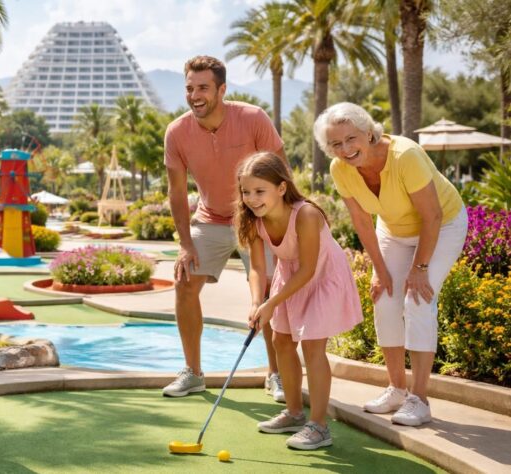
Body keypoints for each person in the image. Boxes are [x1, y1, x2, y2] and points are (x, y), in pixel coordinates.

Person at [314, 102, 467, 427]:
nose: (345, 149)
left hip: (443, 225)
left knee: (417, 299)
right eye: (335, 144)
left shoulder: (405, 156)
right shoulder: (339, 169)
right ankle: (397, 389)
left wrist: (420, 269)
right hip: (394, 231)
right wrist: (381, 271)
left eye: (351, 138)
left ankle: (419, 400)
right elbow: (361, 220)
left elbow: (433, 215)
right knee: (384, 298)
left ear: (369, 132)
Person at [163, 55, 286, 399]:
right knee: (184, 282)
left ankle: (275, 374)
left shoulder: (252, 118)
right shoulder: (177, 132)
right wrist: (186, 244)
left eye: (202, 87)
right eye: (189, 88)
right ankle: (193, 373)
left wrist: (282, 227)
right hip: (211, 218)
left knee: (267, 295)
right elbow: (176, 190)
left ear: (221, 89)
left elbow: (282, 172)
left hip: (258, 219)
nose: (194, 94)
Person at [237, 152, 363, 450]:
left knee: (312, 345)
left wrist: (272, 302)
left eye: (259, 191)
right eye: (245, 192)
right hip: (291, 275)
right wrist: (257, 302)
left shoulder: (306, 214)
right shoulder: (253, 220)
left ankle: (319, 426)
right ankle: (294, 413)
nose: (252, 199)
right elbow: (257, 268)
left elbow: (308, 269)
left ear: (282, 188)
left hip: (321, 276)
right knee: (281, 341)